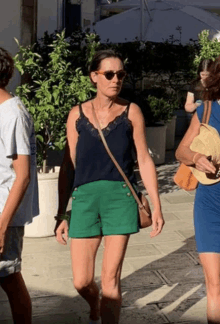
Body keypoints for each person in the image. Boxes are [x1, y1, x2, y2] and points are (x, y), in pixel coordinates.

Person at [55, 49, 164, 324]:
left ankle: (106, 310)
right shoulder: (76, 115)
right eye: (109, 74)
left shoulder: (131, 112)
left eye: (121, 74)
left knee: (111, 280)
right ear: (94, 77)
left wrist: (157, 207)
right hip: (85, 200)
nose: (116, 79)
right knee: (81, 281)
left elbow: (143, 159)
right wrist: (61, 213)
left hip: (120, 198)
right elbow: (68, 166)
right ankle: (95, 303)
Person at [176, 55, 220, 324]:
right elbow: (181, 150)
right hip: (210, 203)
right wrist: (196, 158)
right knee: (214, 285)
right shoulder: (207, 109)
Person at [0, 47, 39, 323]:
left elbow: (22, 174)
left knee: (9, 278)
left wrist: (1, 226)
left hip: (4, 213)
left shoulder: (13, 113)